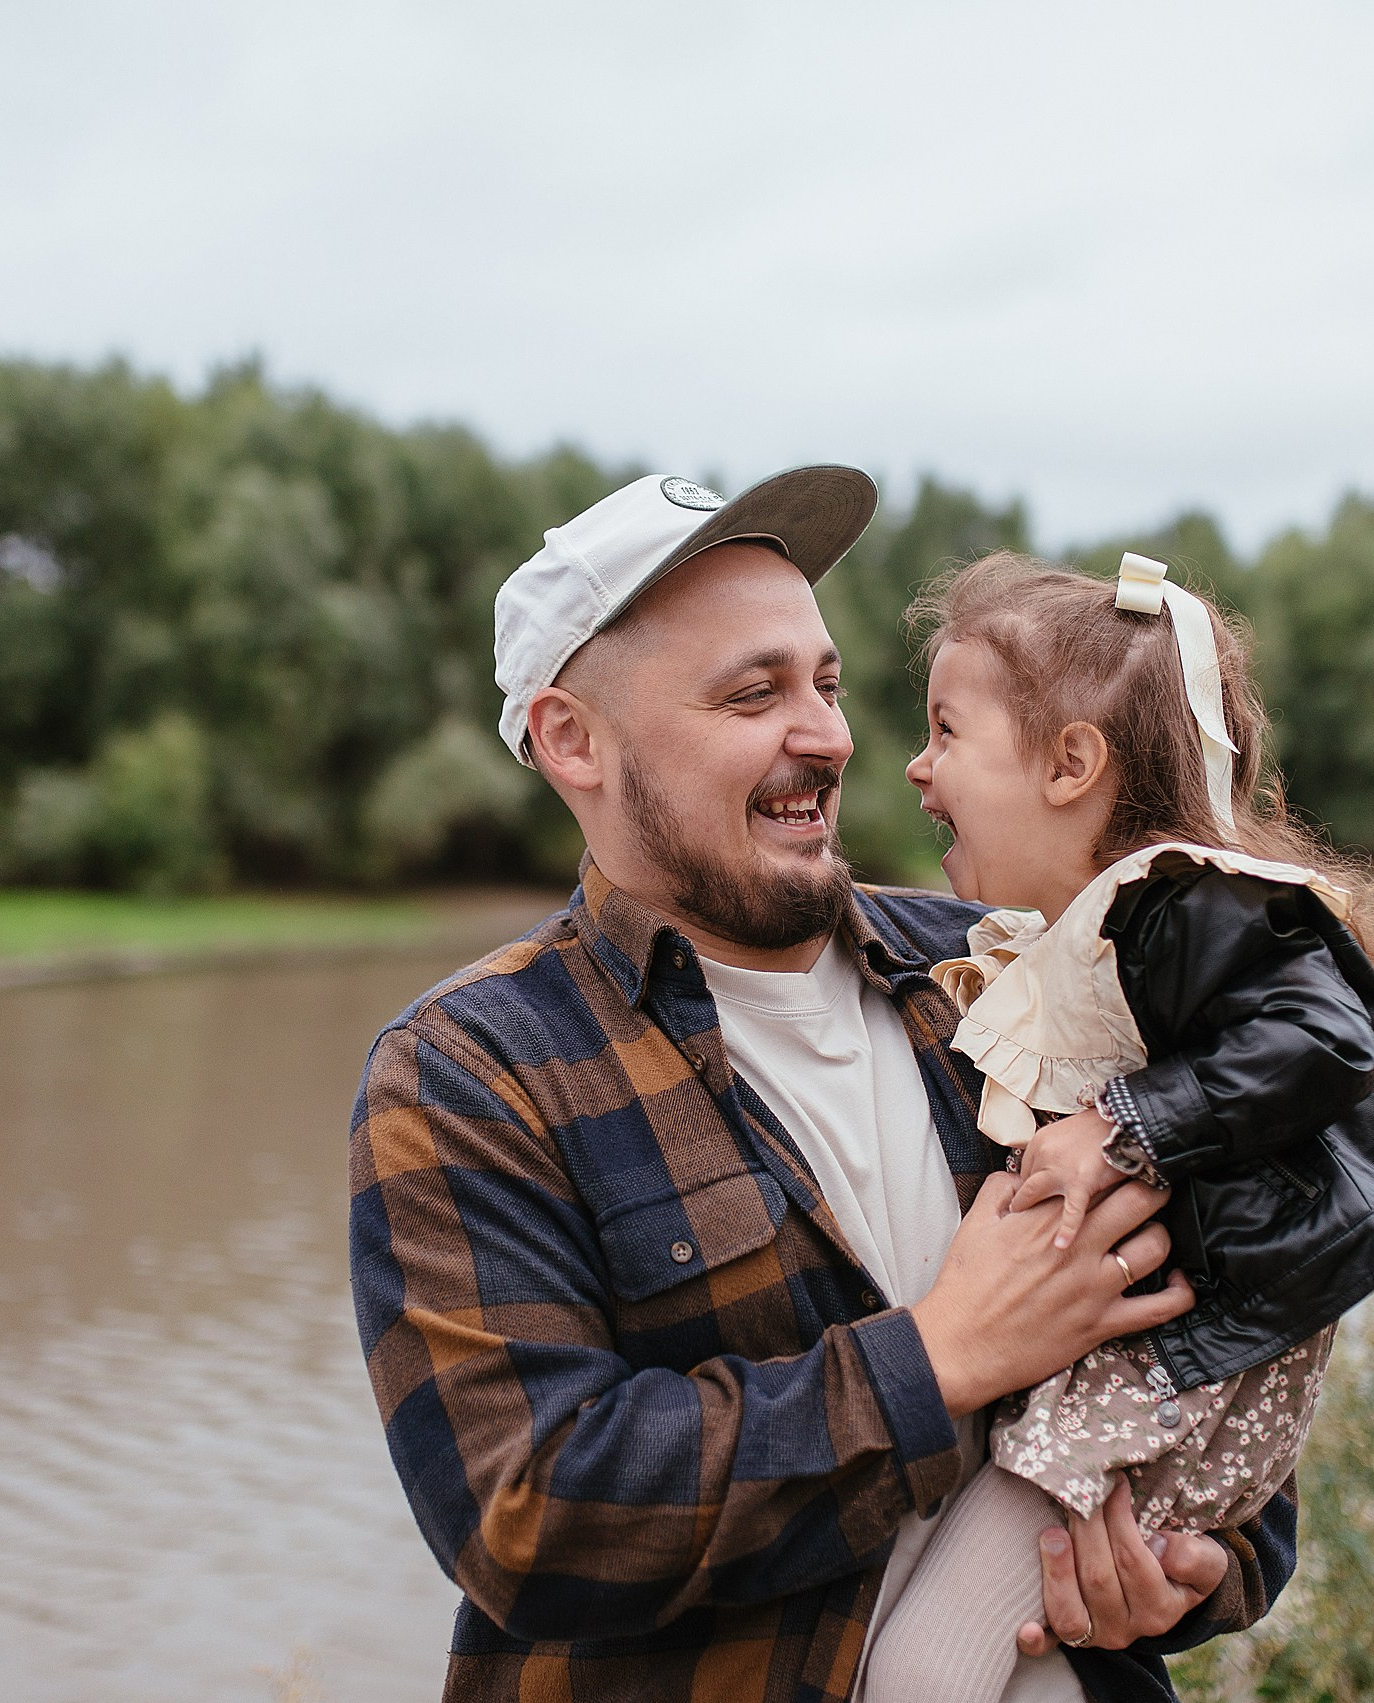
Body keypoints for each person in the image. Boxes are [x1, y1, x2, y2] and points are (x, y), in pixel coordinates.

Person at [348, 470, 1298, 1703]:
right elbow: (528, 1514)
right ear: (571, 738)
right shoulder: (470, 1073)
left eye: (828, 683)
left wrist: (1195, 1566)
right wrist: (938, 1358)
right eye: (755, 692)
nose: (832, 736)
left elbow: (1224, 1362)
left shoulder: (1010, 967)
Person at [864, 551, 1374, 1702]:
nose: (915, 764)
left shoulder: (1185, 901)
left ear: (1070, 763)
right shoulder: (1095, 930)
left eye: (945, 729)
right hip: (1168, 1365)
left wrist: (1116, 1125)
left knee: (923, 1670)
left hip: (1174, 1370)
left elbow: (1332, 1043)